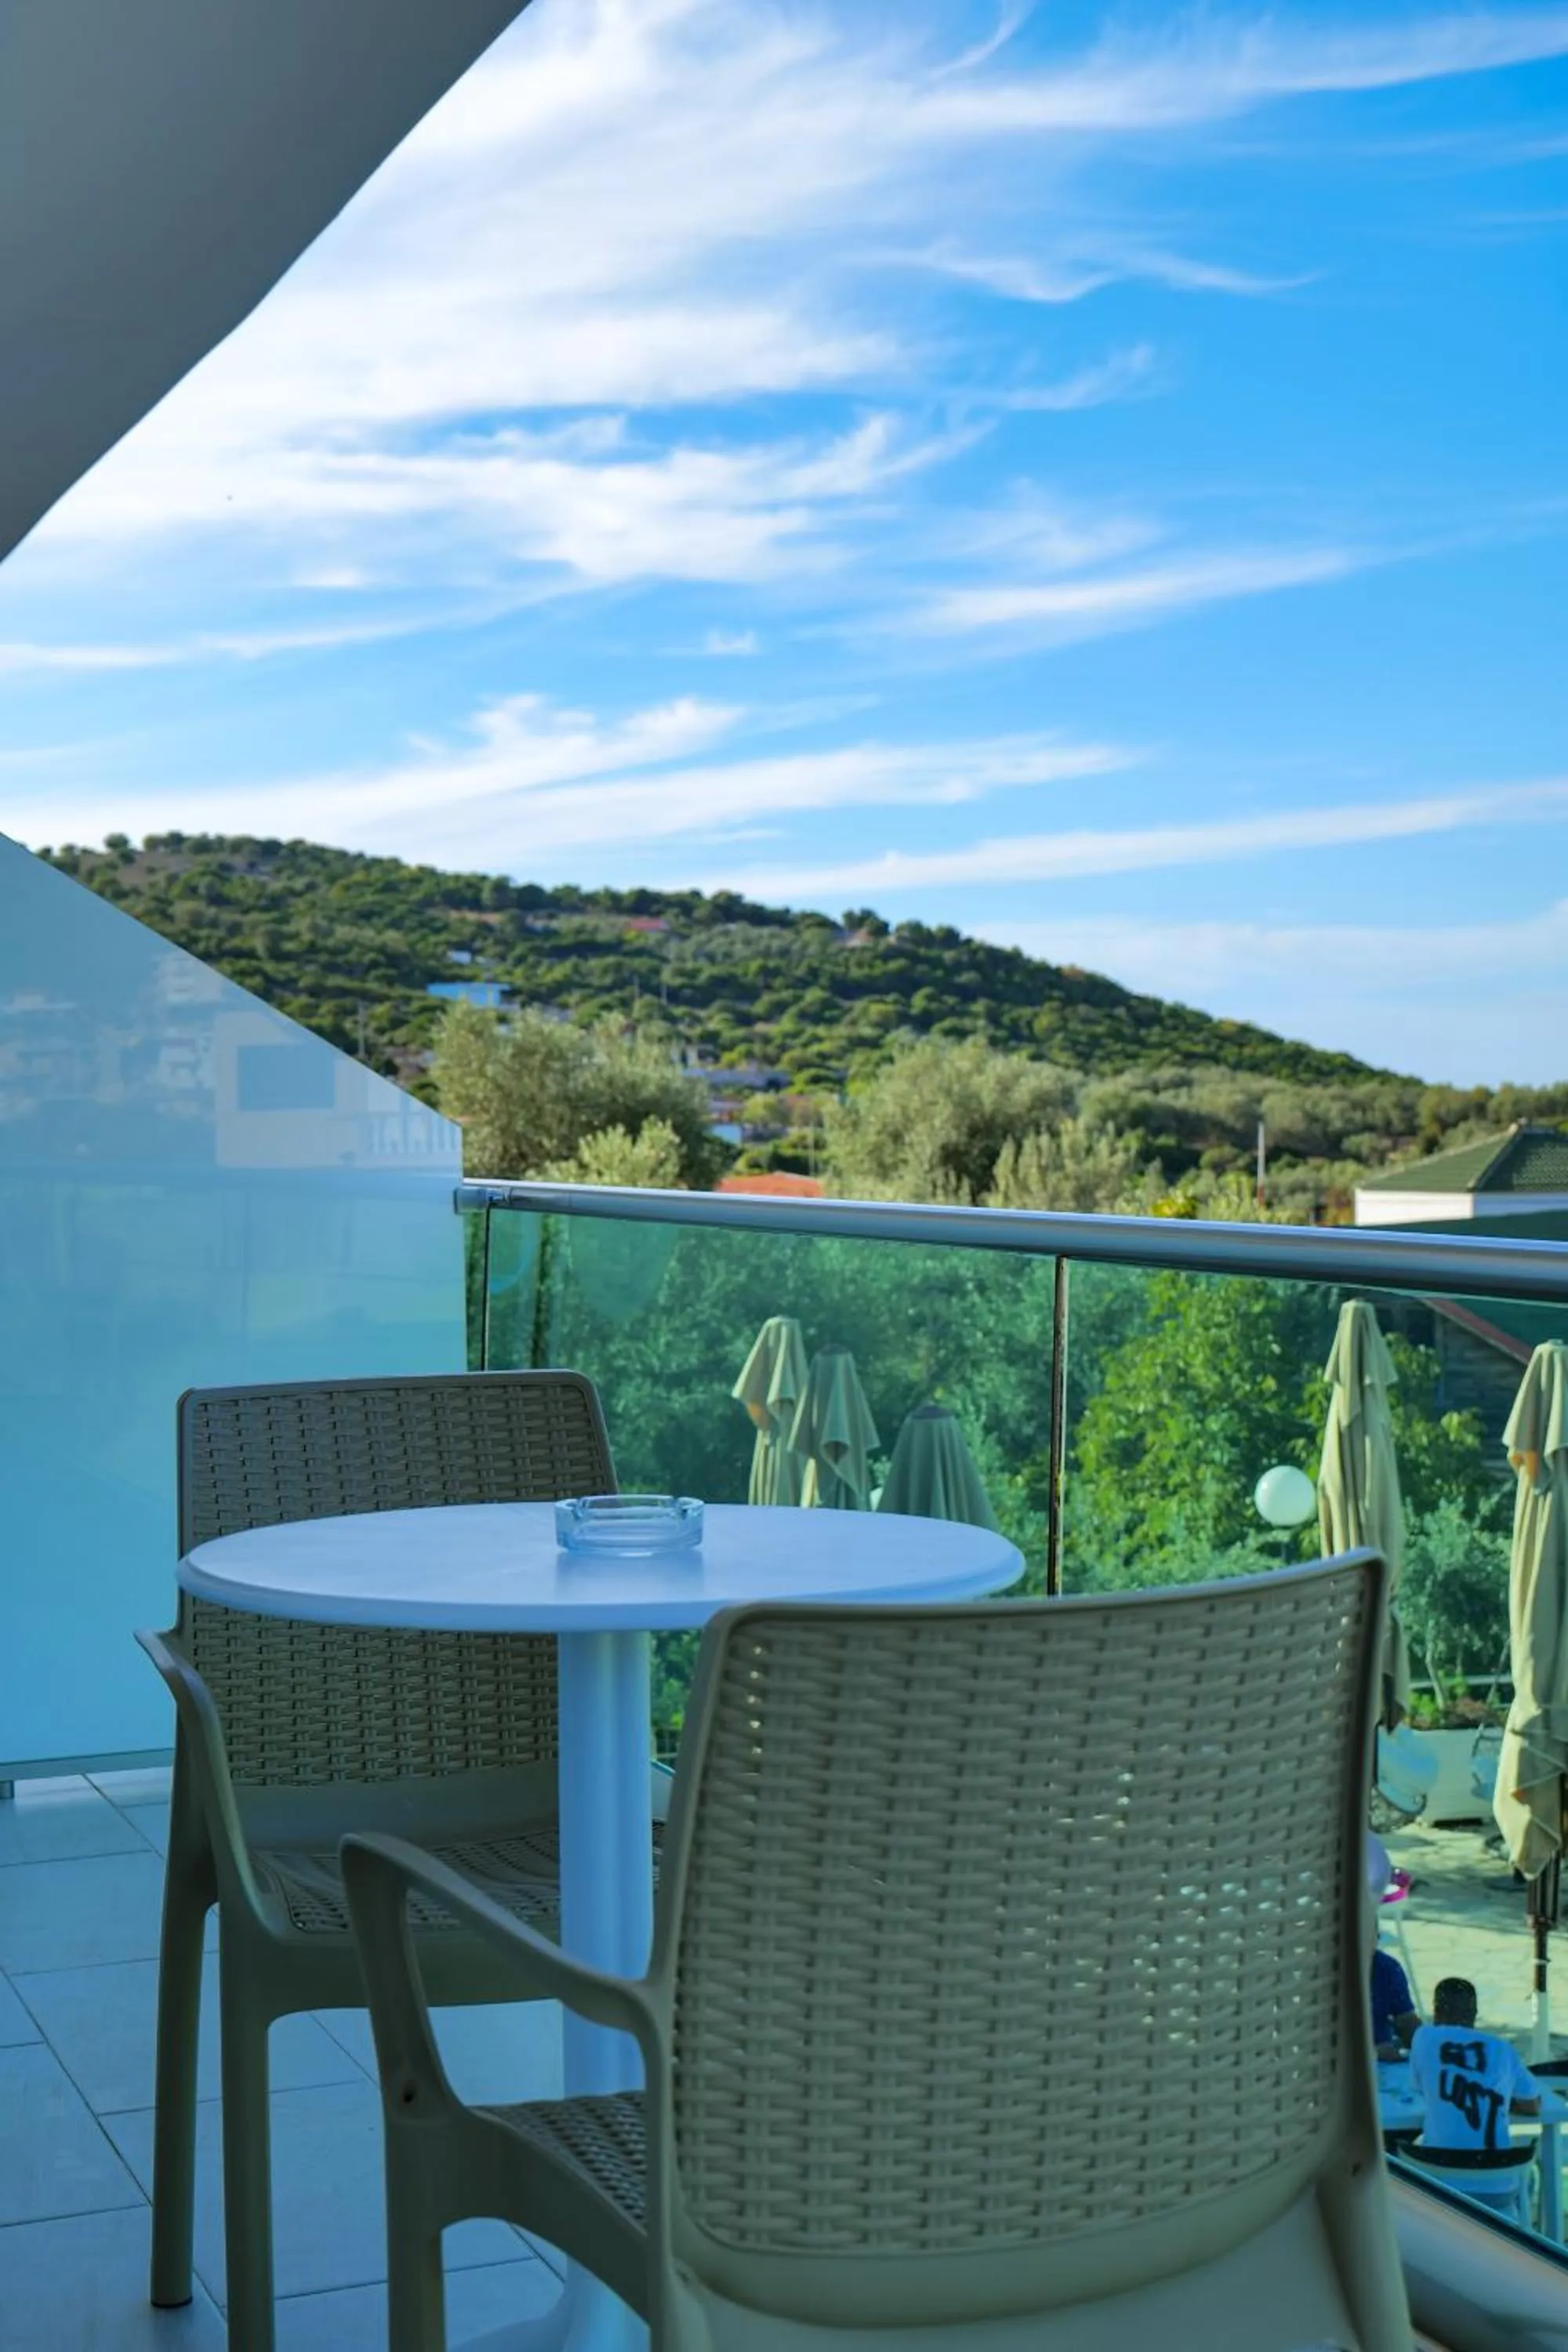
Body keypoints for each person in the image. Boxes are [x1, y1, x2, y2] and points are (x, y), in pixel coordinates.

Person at [1408, 1978, 1541, 2152]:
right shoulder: (1502, 2049)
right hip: (1497, 2166)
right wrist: (1502, 2103)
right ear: (1474, 2013)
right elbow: (1532, 2106)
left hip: (1437, 2165)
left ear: (1437, 2011)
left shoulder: (1423, 2037)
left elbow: (1419, 2088)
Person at [1370, 1945, 1420, 2058]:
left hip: (1385, 2059)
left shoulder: (1387, 1967)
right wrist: (1373, 2052)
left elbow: (1405, 2018)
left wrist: (1426, 2041)